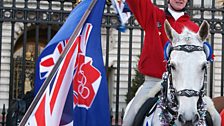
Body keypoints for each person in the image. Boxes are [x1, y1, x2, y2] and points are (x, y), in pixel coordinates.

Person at [122, 0, 216, 125]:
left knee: (216, 118)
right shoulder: (152, 16)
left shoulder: (194, 29)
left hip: (185, 86)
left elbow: (203, 60)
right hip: (153, 82)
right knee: (130, 118)